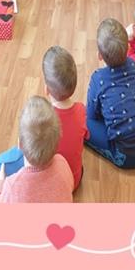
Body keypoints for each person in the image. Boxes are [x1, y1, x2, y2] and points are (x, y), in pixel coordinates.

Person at [86, 18, 135, 169]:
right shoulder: (133, 64)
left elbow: (92, 115)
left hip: (126, 155)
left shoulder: (98, 78)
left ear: (99, 55)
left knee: (82, 120)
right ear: (128, 49)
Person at [0, 96, 73, 203]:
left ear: (20, 144)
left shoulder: (12, 186)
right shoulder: (62, 163)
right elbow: (70, 185)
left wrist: (0, 183)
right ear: (57, 143)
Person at [42, 46, 89, 190]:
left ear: (46, 89)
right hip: (74, 180)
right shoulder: (81, 110)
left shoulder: (43, 120)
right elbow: (86, 136)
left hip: (52, 188)